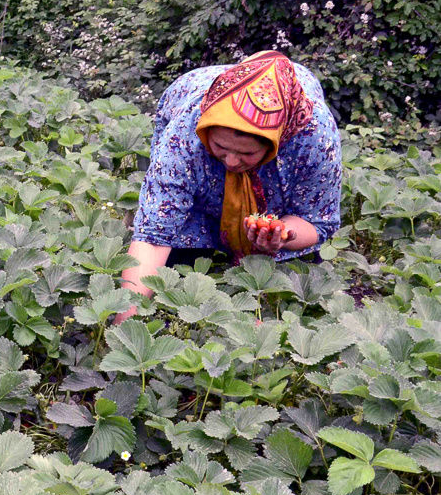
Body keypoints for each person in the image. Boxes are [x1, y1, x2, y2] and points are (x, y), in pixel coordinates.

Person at [116, 50, 341, 324]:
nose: (232, 161)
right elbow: (154, 236)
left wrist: (283, 234)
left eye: (247, 154)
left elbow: (317, 221)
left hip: (292, 140)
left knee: (286, 270)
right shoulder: (185, 133)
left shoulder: (313, 139)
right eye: (221, 147)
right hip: (191, 110)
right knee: (175, 254)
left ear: (275, 144)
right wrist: (124, 324)